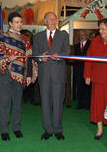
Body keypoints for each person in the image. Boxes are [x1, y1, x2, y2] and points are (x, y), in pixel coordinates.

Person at [0, 12, 32, 141]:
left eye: (20, 22)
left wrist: (29, 75)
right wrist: (7, 59)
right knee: (4, 103)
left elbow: (29, 58)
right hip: (6, 73)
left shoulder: (25, 40)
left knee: (17, 104)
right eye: (16, 22)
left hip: (20, 74)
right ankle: (4, 130)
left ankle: (16, 128)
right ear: (10, 23)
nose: (19, 24)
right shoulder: (3, 37)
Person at [32, 12, 70, 140]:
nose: (53, 21)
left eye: (55, 19)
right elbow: (34, 54)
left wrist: (59, 56)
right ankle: (48, 130)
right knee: (45, 103)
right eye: (50, 19)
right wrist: (40, 58)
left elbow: (67, 52)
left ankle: (58, 130)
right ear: (45, 21)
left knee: (58, 103)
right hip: (44, 75)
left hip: (58, 75)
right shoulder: (37, 37)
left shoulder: (64, 35)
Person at [73, 30, 91, 110]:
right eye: (80, 35)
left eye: (83, 34)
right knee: (80, 87)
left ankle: (87, 104)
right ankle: (80, 104)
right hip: (78, 70)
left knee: (87, 87)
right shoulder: (76, 46)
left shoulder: (90, 45)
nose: (81, 36)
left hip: (88, 69)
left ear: (86, 35)